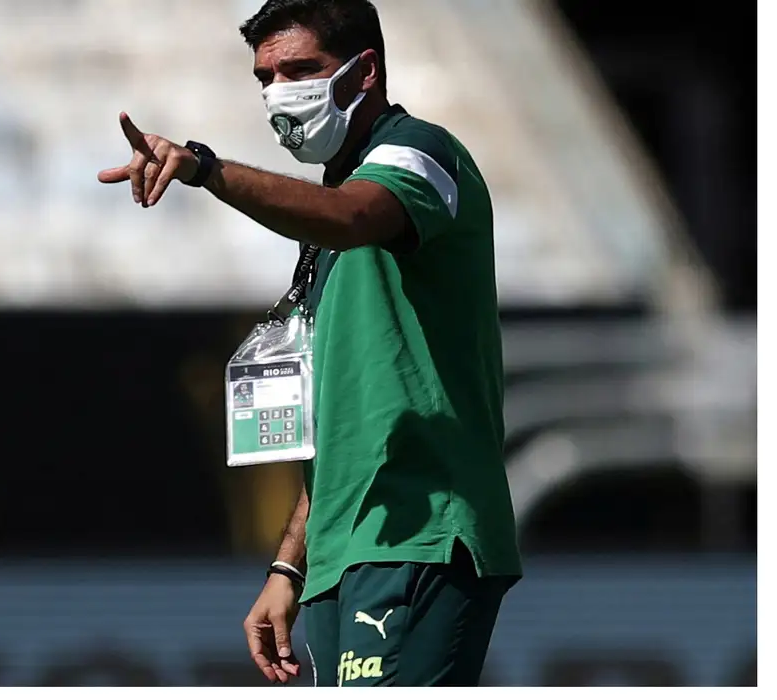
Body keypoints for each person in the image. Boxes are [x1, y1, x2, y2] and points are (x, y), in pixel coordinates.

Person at [97, 0, 522, 687]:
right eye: (264, 76)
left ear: (365, 72)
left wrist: (205, 167)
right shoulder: (325, 220)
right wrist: (290, 562)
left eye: (300, 69)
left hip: (419, 532)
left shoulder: (418, 153)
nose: (278, 92)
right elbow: (347, 421)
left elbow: (351, 216)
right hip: (342, 552)